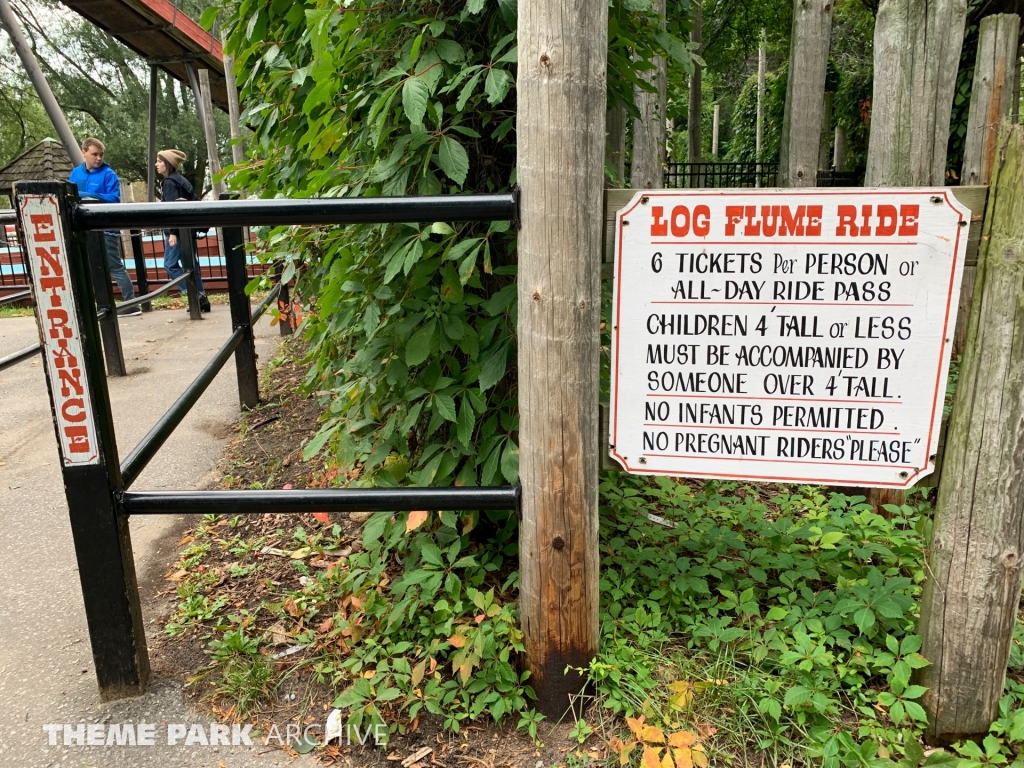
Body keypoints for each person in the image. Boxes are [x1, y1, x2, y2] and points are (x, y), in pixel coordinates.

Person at [68, 137, 141, 316]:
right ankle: (96, 303)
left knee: (114, 266)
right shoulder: (75, 174)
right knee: (88, 268)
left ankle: (131, 303)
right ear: (84, 152)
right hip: (84, 229)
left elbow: (114, 199)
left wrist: (89, 195)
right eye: (94, 154)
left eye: (101, 155)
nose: (98, 158)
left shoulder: (109, 174)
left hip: (106, 228)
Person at [155, 148, 210, 312]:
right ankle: (202, 298)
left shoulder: (170, 182)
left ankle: (195, 296)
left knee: (170, 264)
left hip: (178, 231)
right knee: (192, 265)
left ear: (167, 164)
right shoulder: (181, 180)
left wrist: (172, 232)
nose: (156, 164)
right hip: (189, 228)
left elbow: (173, 208)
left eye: (159, 161)